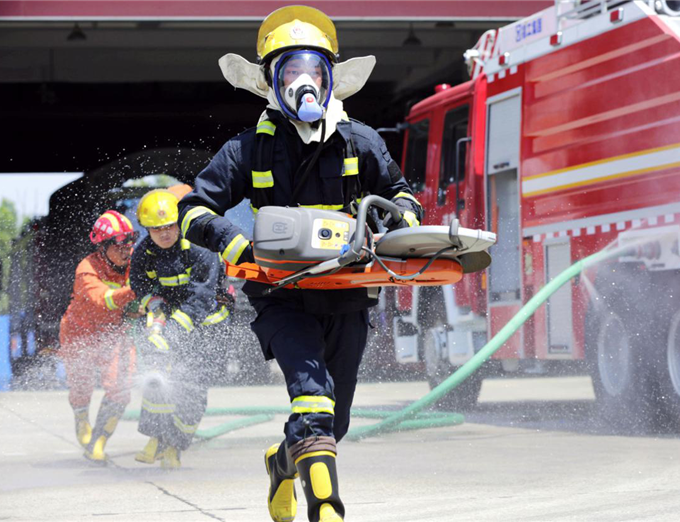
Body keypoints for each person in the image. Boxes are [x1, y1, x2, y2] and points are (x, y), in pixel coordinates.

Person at [178, 6, 423, 521]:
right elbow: (192, 210)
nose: (304, 83)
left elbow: (402, 196)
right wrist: (235, 245)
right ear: (271, 81)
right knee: (312, 401)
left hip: (351, 295)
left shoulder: (362, 141)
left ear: (332, 77)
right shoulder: (247, 150)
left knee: (335, 422)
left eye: (315, 70)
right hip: (281, 296)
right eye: (291, 71)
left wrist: (402, 227)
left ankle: (281, 464)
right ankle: (327, 510)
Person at [130, 188, 230, 469]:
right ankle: (155, 438)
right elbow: (139, 285)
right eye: (156, 228)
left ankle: (175, 446)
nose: (164, 233)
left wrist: (171, 332)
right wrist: (154, 306)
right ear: (147, 229)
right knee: (156, 378)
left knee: (192, 388)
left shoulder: (199, 248)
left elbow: (201, 298)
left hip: (208, 327)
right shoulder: (143, 253)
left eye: (170, 226)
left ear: (179, 223)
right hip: (169, 322)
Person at [58, 210, 137, 463]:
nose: (127, 250)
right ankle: (81, 417)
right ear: (103, 247)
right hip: (79, 333)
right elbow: (103, 300)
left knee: (120, 388)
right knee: (82, 386)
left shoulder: (136, 261)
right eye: (119, 244)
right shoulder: (87, 269)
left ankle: (98, 441)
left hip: (114, 333)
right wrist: (135, 291)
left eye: (130, 242)